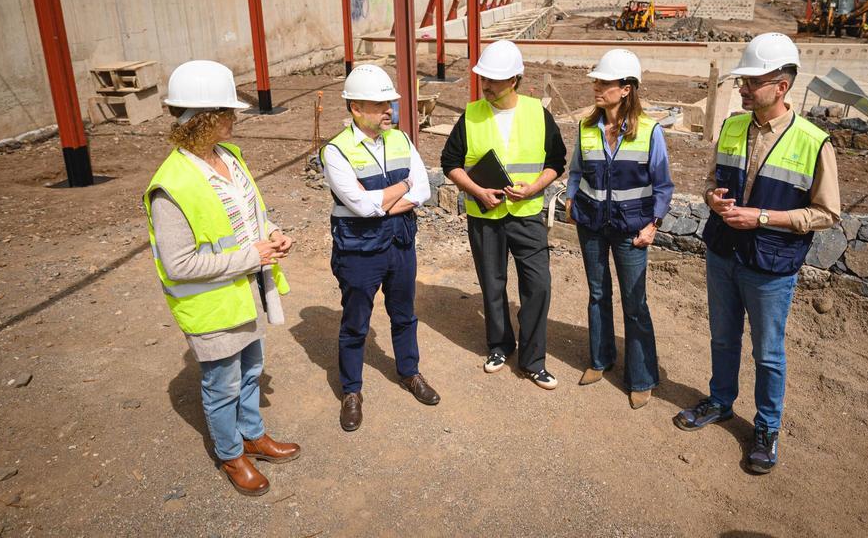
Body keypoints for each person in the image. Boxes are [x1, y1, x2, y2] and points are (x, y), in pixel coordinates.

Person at [673, 33, 841, 474]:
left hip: (770, 266)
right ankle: (721, 401)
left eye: (751, 81)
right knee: (723, 337)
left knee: (768, 353)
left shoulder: (814, 141)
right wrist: (713, 200)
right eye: (743, 81)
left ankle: (766, 428)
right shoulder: (731, 126)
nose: (743, 88)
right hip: (723, 253)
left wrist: (761, 217)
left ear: (780, 86)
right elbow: (708, 182)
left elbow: (826, 214)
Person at [143, 60, 299, 497]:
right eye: (228, 112)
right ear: (206, 118)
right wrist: (251, 255)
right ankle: (232, 454)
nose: (235, 118)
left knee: (251, 371)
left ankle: (253, 434)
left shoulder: (229, 158)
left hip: (244, 293)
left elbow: (252, 213)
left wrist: (272, 234)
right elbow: (179, 264)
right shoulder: (171, 185)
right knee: (222, 383)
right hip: (211, 304)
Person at [440, 40, 567, 389]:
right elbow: (449, 163)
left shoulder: (538, 113)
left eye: (494, 80)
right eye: (483, 78)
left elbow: (556, 161)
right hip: (484, 216)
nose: (486, 85)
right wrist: (477, 191)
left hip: (526, 214)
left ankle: (533, 359)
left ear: (515, 79)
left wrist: (535, 187)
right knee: (492, 285)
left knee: (538, 286)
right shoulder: (471, 114)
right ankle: (499, 346)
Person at [321, 64, 439, 432]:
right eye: (380, 104)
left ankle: (410, 372)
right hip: (359, 251)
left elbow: (424, 191)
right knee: (356, 323)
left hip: (400, 243)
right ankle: (352, 391)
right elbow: (360, 206)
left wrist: (389, 199)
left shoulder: (401, 140)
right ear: (356, 107)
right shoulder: (336, 151)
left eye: (390, 102)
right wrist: (401, 190)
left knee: (404, 314)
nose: (390, 109)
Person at [566, 49, 674, 409]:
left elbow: (663, 185)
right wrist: (570, 199)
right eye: (596, 80)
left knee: (635, 303)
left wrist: (653, 224)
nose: (597, 86)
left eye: (604, 82)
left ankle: (641, 377)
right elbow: (577, 171)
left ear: (626, 88)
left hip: (632, 230)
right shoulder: (586, 127)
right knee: (598, 294)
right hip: (591, 224)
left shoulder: (650, 131)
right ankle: (600, 360)